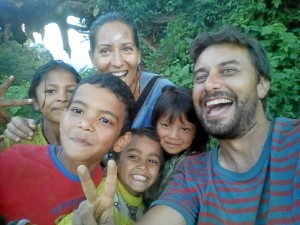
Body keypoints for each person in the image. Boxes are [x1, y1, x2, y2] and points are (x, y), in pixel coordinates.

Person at [71, 25, 300, 224]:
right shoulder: (191, 173)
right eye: (200, 77)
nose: (210, 84)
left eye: (228, 70)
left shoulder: (293, 143)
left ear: (262, 85)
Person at [3, 12, 174, 141]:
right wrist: (23, 126)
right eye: (105, 50)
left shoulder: (162, 93)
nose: (117, 61)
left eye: (127, 49)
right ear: (92, 57)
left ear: (138, 54)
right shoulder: (89, 95)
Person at [0, 74, 135, 225]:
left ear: (121, 141)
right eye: (77, 111)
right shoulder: (12, 162)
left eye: (105, 120)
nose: (85, 124)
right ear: (63, 116)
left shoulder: (105, 183)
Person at [57, 127, 164, 225]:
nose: (143, 166)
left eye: (152, 161)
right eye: (133, 157)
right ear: (117, 163)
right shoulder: (103, 192)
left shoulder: (148, 208)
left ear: (159, 174)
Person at [144, 86, 208, 207]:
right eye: (166, 125)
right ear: (155, 123)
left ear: (196, 132)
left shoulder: (190, 164)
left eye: (185, 129)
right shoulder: (148, 147)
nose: (174, 136)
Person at [1, 60, 81, 151]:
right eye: (50, 91)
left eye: (71, 91)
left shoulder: (91, 139)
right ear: (36, 103)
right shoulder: (19, 139)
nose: (62, 98)